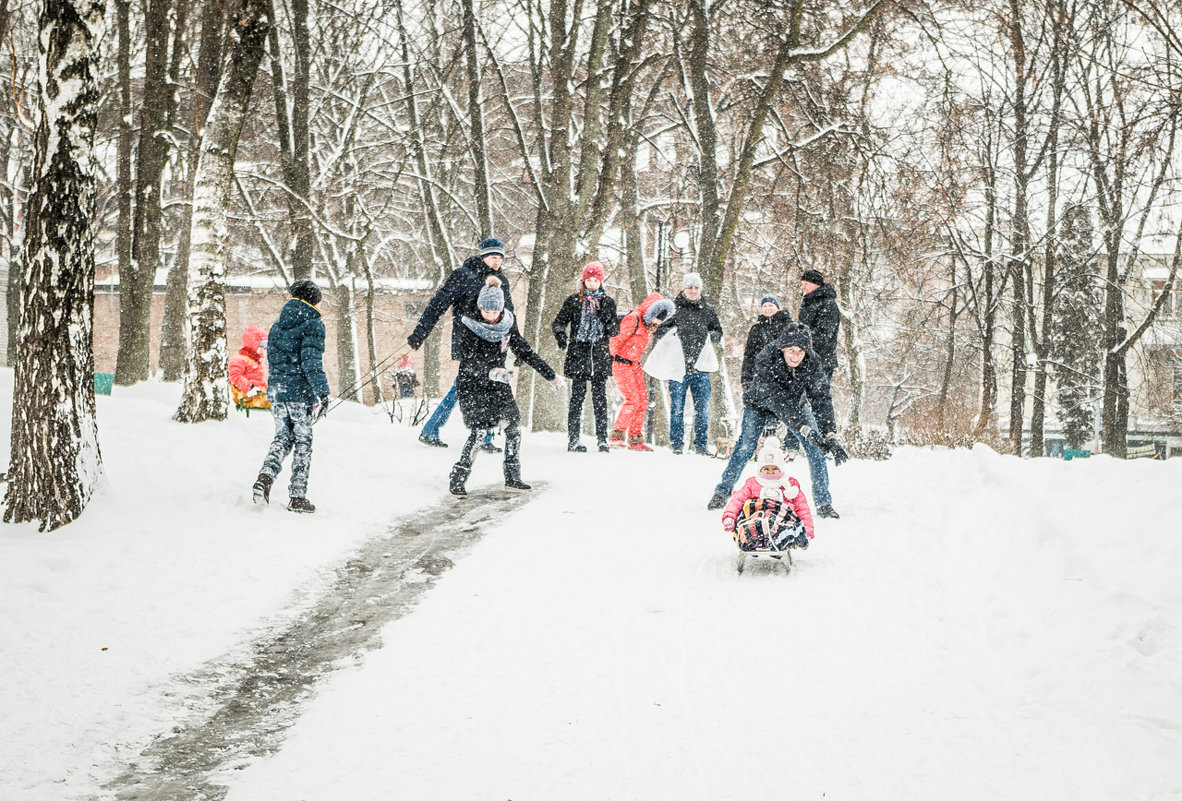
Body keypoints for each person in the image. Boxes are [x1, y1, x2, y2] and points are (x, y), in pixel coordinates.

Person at [705, 322, 848, 518]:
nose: (796, 356)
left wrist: (830, 434)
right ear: (782, 348)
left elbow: (822, 398)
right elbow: (776, 400)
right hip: (761, 404)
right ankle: (722, 491)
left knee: (816, 448)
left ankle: (824, 503)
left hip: (796, 405)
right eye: (791, 350)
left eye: (800, 351)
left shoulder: (813, 362)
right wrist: (803, 428)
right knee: (746, 446)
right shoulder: (766, 357)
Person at [448, 276, 559, 498]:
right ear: (479, 308)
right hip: (472, 384)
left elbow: (525, 351)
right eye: (486, 312)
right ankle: (458, 477)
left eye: (494, 312)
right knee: (479, 432)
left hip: (498, 384)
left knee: (513, 427)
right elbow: (469, 361)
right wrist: (490, 371)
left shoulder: (507, 324)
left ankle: (512, 476)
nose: (490, 316)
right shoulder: (468, 324)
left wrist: (551, 375)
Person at [407, 237, 508, 452]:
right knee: (465, 386)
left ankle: (479, 435)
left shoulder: (501, 282)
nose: (497, 261)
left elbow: (509, 315)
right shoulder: (464, 276)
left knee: (485, 386)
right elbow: (438, 305)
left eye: (500, 257)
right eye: (492, 256)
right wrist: (420, 333)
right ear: (483, 256)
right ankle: (437, 429)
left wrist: (513, 343)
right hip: (468, 341)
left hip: (493, 343)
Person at [251, 280, 330, 513]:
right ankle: (297, 496)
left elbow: (274, 360)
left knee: (283, 437)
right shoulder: (313, 324)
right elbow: (311, 362)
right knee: (303, 441)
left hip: (277, 391)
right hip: (300, 394)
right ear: (312, 301)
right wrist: (322, 392)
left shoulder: (276, 327)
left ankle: (265, 478)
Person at [650, 272, 723, 454]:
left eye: (696, 287)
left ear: (700, 289)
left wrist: (712, 336)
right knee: (677, 408)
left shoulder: (708, 310)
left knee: (703, 410)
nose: (693, 291)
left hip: (701, 368)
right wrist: (669, 333)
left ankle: (701, 446)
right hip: (678, 368)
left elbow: (717, 331)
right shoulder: (673, 309)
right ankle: (676, 445)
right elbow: (659, 331)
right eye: (689, 287)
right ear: (683, 289)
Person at [551, 262, 619, 452]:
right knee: (577, 399)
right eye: (589, 279)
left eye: (595, 280)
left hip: (599, 356)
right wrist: (561, 335)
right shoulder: (574, 301)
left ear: (601, 281)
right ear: (583, 280)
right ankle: (573, 439)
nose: (592, 283)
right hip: (578, 355)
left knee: (600, 400)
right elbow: (559, 322)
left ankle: (602, 440)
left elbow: (614, 330)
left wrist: (606, 315)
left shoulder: (608, 302)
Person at [721, 437, 814, 551]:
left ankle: (778, 537)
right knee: (749, 505)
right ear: (760, 467)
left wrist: (807, 533)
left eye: (774, 468)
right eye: (766, 468)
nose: (770, 472)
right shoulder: (752, 483)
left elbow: (803, 509)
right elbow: (737, 500)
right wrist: (729, 517)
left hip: (783, 520)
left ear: (781, 467)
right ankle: (754, 537)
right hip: (756, 519)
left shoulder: (790, 485)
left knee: (778, 514)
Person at [608, 293, 675, 450]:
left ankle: (635, 437)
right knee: (633, 399)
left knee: (643, 400)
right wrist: (610, 360)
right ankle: (617, 434)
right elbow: (615, 340)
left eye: (661, 319)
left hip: (634, 365)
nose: (657, 322)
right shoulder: (634, 319)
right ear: (652, 311)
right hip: (621, 363)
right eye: (656, 317)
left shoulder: (649, 325)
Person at [740, 294, 790, 393]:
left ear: (777, 307)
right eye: (764, 306)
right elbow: (749, 355)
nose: (768, 308)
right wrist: (746, 379)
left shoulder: (788, 326)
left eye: (771, 305)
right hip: (760, 376)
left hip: (784, 376)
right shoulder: (756, 329)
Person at [797, 268, 840, 380]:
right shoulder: (807, 302)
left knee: (817, 395)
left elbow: (824, 334)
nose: (803, 287)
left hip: (822, 360)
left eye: (806, 283)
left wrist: (802, 339)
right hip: (804, 358)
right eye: (802, 284)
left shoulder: (828, 304)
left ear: (815, 285)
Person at [229, 326, 270, 411]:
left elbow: (260, 381)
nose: (263, 350)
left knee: (281, 398)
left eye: (265, 348)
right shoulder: (239, 359)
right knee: (278, 402)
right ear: (253, 345)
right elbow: (234, 377)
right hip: (245, 396)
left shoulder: (258, 363)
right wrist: (250, 387)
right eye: (260, 347)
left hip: (258, 394)